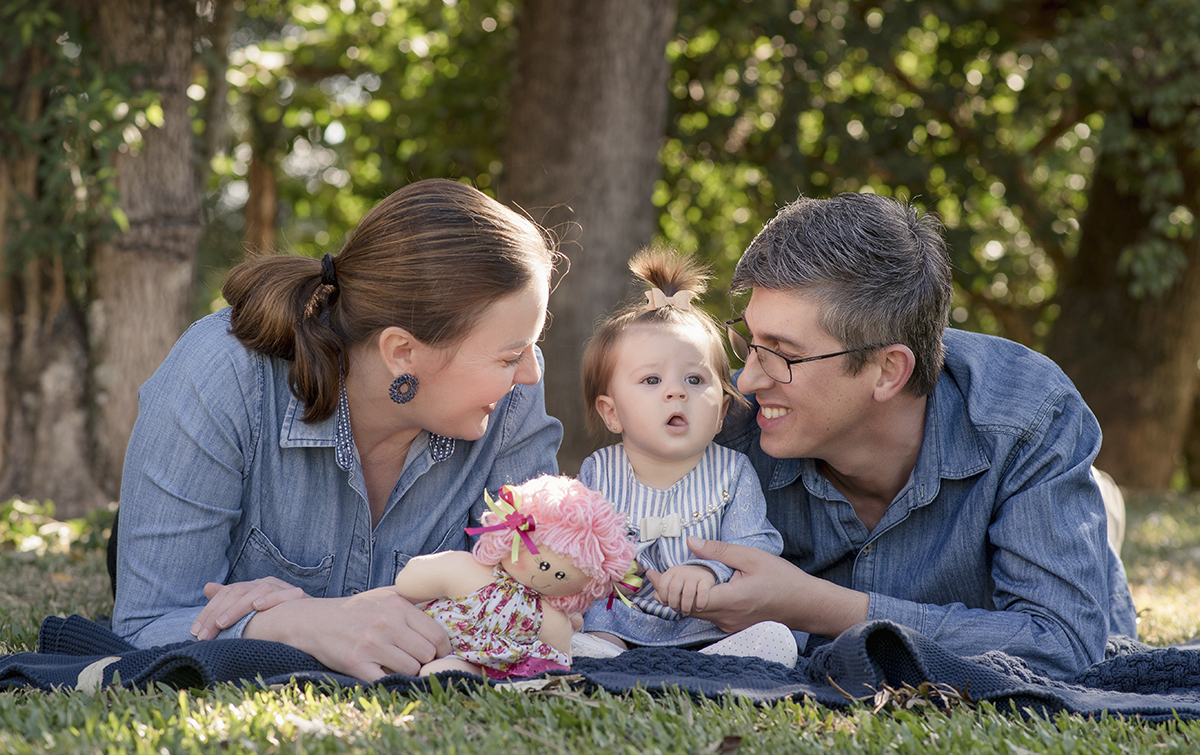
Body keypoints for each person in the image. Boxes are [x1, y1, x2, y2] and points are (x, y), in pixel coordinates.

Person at [111, 179, 563, 681]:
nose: (530, 374)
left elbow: (546, 600)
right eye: (509, 356)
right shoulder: (222, 375)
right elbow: (144, 626)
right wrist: (293, 622)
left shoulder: (510, 396)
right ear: (402, 352)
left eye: (529, 347)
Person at [674, 192, 1138, 681]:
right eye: (750, 341)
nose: (747, 379)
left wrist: (813, 606)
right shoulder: (725, 420)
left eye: (783, 355)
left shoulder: (1026, 417)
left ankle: (1084, 508)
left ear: (887, 370)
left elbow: (1064, 648)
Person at [573, 247, 795, 665]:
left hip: (707, 623)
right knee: (578, 631)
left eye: (694, 379)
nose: (676, 392)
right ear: (612, 412)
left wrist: (707, 571)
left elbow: (755, 544)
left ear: (721, 413)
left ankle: (714, 662)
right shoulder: (599, 471)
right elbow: (579, 547)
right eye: (652, 379)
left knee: (774, 637)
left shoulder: (732, 471)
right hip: (619, 617)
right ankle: (602, 655)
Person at [394, 475, 635, 678]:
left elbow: (561, 655)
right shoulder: (473, 572)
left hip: (497, 662)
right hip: (430, 636)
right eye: (542, 564)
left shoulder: (550, 614)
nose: (548, 577)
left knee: (450, 672)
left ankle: (464, 674)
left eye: (562, 575)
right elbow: (412, 581)